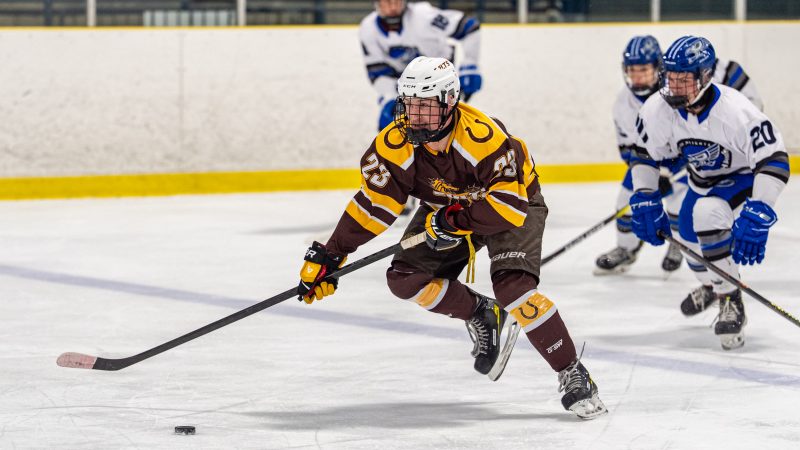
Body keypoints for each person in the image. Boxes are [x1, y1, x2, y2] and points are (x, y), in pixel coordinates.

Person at [297, 56, 606, 419]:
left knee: (513, 289)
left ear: (449, 102)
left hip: (511, 204)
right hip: (447, 207)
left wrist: (453, 221)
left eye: (425, 107)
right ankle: (481, 312)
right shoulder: (395, 144)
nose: (415, 116)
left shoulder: (481, 138)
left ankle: (572, 371)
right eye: (410, 105)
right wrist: (331, 255)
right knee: (405, 279)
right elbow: (373, 205)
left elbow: (508, 208)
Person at [628, 36, 789, 350]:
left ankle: (730, 301)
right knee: (687, 241)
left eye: (683, 80)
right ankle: (713, 286)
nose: (674, 87)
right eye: (670, 78)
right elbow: (644, 153)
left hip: (742, 180)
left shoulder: (736, 110)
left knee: (706, 215)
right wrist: (645, 193)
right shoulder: (658, 109)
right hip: (701, 182)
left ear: (705, 77)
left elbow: (774, 159)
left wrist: (760, 209)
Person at [595, 35, 765, 276]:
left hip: (693, 160)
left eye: (643, 70)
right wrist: (655, 175)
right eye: (632, 71)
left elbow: (738, 96)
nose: (637, 77)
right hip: (657, 160)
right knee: (626, 201)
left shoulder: (688, 88)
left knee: (679, 206)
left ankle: (676, 247)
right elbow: (631, 150)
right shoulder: (624, 103)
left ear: (659, 68)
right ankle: (626, 249)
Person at [359, 0, 482, 132]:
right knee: (392, 129)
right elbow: (378, 71)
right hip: (404, 87)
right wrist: (389, 98)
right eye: (388, 3)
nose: (393, 7)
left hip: (439, 80)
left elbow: (469, 27)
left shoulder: (423, 16)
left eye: (397, 2)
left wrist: (470, 66)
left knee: (444, 128)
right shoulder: (368, 29)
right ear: (376, 4)